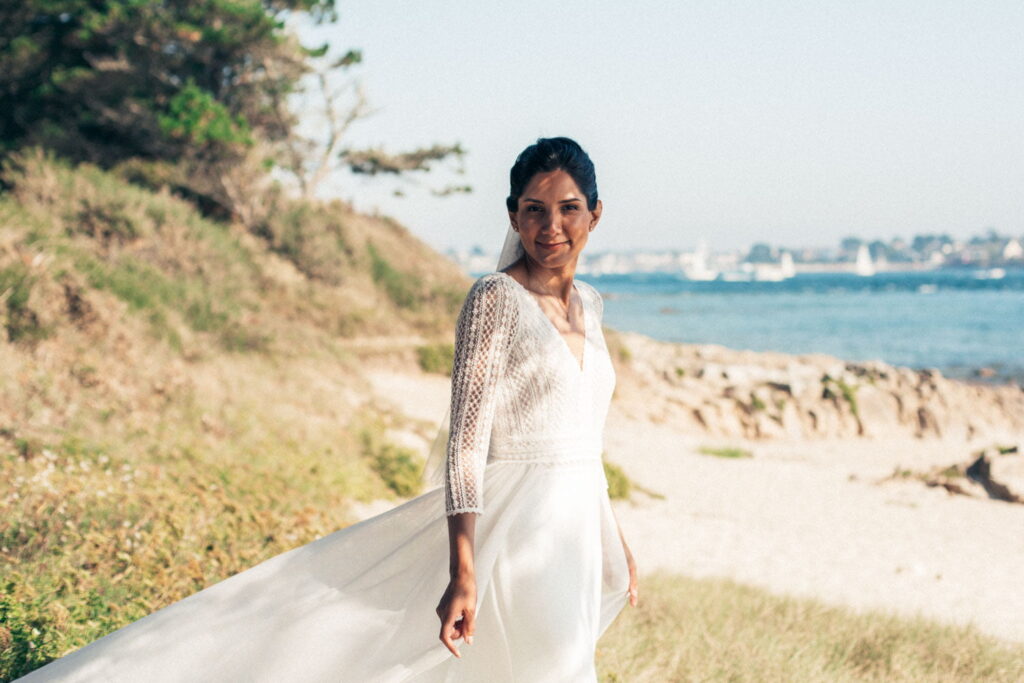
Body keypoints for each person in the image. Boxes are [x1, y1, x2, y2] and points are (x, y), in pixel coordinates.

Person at [18, 136, 637, 683]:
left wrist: (615, 537)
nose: (550, 225)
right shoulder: (494, 299)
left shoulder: (590, 303)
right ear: (513, 215)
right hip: (513, 532)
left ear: (595, 214)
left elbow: (585, 441)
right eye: (534, 209)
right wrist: (463, 572)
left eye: (568, 208)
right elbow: (466, 446)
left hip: (575, 534)